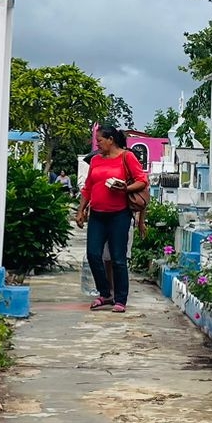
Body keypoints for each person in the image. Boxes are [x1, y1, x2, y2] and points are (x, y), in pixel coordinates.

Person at [76, 127, 148, 312]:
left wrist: (124, 189)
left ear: (111, 140)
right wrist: (81, 210)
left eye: (100, 140)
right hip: (98, 215)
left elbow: (142, 180)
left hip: (119, 214)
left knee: (118, 258)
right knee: (93, 254)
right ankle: (105, 293)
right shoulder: (96, 160)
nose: (97, 144)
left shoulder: (127, 157)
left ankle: (120, 299)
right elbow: (88, 187)